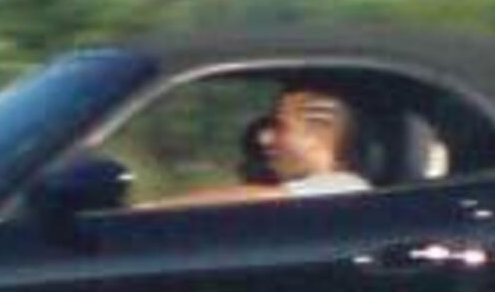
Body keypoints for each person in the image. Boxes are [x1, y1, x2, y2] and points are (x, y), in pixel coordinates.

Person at [151, 86, 371, 206]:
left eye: (279, 127)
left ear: (318, 135)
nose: (263, 138)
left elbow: (255, 198)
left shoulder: (344, 187)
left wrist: (151, 210)